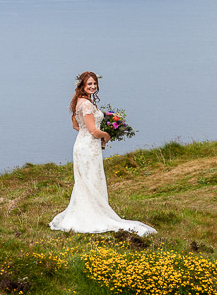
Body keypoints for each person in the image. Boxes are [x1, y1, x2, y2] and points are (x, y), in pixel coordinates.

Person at [49, 71, 157, 236]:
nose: (92, 87)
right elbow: (93, 130)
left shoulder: (79, 101)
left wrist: (87, 132)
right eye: (89, 84)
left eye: (94, 84)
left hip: (82, 145)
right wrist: (106, 135)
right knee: (91, 179)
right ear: (83, 86)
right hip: (89, 148)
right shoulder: (85, 105)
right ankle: (92, 215)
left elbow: (76, 126)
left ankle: (87, 211)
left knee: (86, 180)